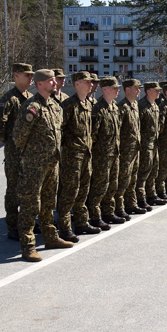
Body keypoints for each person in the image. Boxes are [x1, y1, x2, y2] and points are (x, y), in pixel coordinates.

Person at [12, 69, 74, 261]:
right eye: (50, 80)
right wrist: (31, 155)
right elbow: (19, 137)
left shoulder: (55, 106)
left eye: (54, 80)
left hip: (52, 163)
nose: (55, 83)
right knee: (31, 205)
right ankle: (28, 246)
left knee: (49, 203)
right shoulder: (31, 107)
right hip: (34, 165)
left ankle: (51, 237)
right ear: (39, 84)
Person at [0, 62, 34, 240]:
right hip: (15, 154)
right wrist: (8, 139)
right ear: (16, 75)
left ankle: (27, 222)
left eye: (31, 75)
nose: (30, 78)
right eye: (26, 75)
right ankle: (13, 226)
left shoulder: (30, 97)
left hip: (30, 153)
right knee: (14, 191)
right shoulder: (9, 98)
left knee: (28, 190)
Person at [56, 71, 98, 242]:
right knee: (69, 191)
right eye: (86, 82)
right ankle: (64, 227)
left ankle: (81, 222)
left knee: (83, 190)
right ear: (77, 84)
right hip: (72, 156)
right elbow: (60, 130)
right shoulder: (68, 105)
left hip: (86, 154)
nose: (91, 85)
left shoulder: (88, 105)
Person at [88, 77, 123, 229]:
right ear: (105, 89)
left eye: (117, 87)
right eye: (114, 87)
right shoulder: (98, 109)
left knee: (112, 184)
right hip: (102, 155)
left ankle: (108, 212)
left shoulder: (114, 107)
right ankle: (95, 216)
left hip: (114, 153)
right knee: (99, 186)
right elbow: (93, 135)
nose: (117, 90)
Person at [116, 79, 144, 217]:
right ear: (127, 89)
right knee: (124, 179)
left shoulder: (135, 105)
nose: (139, 90)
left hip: (135, 148)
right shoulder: (122, 107)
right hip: (125, 150)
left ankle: (131, 204)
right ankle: (119, 208)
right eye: (136, 88)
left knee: (133, 177)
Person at [136, 82, 162, 209]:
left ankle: (151, 195)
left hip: (154, 143)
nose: (158, 92)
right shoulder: (141, 106)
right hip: (145, 145)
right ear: (148, 91)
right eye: (155, 90)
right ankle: (141, 199)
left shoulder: (155, 106)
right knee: (143, 173)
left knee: (153, 171)